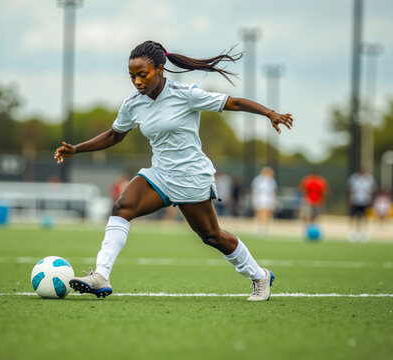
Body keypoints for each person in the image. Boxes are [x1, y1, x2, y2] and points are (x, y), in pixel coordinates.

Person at [53, 41, 293, 301]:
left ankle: (259, 276)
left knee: (212, 236)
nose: (137, 81)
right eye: (132, 76)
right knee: (122, 207)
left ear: (159, 69)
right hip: (159, 174)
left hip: (191, 177)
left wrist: (269, 113)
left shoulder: (185, 93)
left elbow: (232, 103)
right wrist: (76, 149)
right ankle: (101, 274)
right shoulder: (133, 104)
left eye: (142, 74)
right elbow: (114, 135)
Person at [346, 167, 376, 242]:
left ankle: (364, 232)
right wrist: (350, 200)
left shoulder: (369, 179)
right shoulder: (353, 178)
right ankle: (353, 231)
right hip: (355, 200)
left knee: (364, 216)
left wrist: (371, 200)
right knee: (354, 216)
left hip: (365, 200)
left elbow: (372, 190)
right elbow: (350, 189)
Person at [251, 167, 277, 237]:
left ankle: (265, 228)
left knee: (268, 214)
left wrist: (274, 201)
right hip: (259, 198)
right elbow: (254, 189)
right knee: (261, 213)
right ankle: (260, 228)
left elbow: (273, 192)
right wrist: (253, 198)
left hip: (268, 199)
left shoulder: (272, 181)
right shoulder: (257, 179)